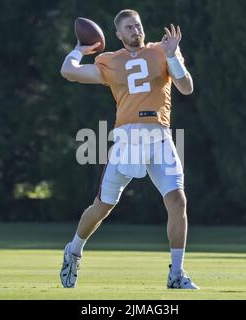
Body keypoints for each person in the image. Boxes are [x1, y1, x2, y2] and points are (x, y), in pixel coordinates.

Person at [59, 9, 198, 289]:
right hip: (127, 141)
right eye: (129, 27)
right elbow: (68, 72)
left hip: (160, 138)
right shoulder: (110, 61)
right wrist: (77, 49)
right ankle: (74, 250)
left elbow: (186, 87)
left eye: (138, 25)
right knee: (103, 206)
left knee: (177, 201)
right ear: (118, 35)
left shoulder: (162, 50)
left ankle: (177, 273)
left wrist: (173, 55)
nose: (136, 30)